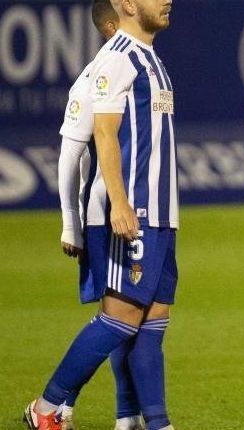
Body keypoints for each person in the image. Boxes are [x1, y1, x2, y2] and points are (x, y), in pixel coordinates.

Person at [24, 0, 178, 429]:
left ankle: (151, 422)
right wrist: (119, 202)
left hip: (163, 211)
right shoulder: (116, 59)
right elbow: (103, 134)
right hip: (134, 209)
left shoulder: (152, 61)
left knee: (152, 320)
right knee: (121, 315)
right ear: (128, 5)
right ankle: (47, 407)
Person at [56, 1, 144, 429]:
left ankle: (126, 415)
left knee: (128, 315)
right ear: (114, 24)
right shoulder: (92, 78)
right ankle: (57, 404)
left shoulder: (136, 69)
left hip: (123, 210)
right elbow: (68, 157)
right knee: (118, 315)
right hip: (104, 214)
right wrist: (70, 222)